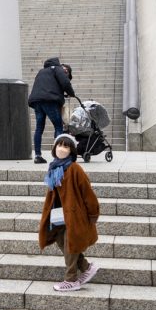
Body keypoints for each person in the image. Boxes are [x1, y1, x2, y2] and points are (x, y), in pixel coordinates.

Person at [38, 133, 100, 292]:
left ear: (71, 150)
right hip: (59, 214)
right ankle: (86, 267)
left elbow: (88, 193)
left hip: (74, 214)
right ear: (54, 148)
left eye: (66, 146)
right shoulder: (54, 167)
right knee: (61, 241)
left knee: (70, 245)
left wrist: (93, 214)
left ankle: (71, 280)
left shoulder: (74, 168)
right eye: (59, 145)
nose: (61, 148)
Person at [28, 56, 75, 164]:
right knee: (58, 126)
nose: (65, 72)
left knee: (39, 128)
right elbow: (65, 83)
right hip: (49, 101)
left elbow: (46, 86)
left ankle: (38, 155)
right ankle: (58, 156)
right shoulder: (57, 69)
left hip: (37, 101)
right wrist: (71, 93)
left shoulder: (42, 71)